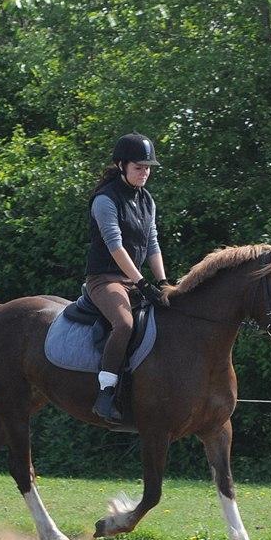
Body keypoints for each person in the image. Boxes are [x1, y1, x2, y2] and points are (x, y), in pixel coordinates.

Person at [85, 132, 169, 424]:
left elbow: (152, 244)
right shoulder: (105, 200)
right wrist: (142, 283)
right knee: (124, 323)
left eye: (148, 168)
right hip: (104, 280)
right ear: (121, 165)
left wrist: (162, 283)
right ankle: (105, 393)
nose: (145, 172)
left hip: (133, 280)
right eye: (138, 167)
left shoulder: (147, 200)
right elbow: (115, 245)